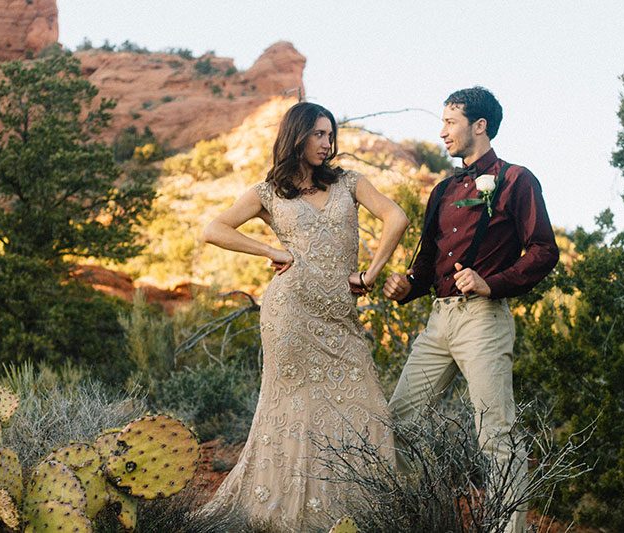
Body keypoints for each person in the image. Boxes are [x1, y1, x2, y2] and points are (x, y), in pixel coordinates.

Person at [201, 101, 409, 531]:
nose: (327, 143)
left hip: (340, 319)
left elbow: (397, 217)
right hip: (290, 312)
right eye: (318, 134)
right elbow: (213, 229)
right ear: (296, 136)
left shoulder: (350, 182)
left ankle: (359, 515)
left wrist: (371, 273)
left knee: (365, 404)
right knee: (294, 409)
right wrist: (270, 250)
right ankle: (287, 514)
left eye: (330, 135)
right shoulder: (267, 192)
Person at [383, 87, 559, 532]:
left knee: (496, 435)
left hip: (483, 319)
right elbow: (426, 263)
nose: (442, 132)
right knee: (398, 422)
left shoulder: (516, 180)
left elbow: (544, 250)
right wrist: (406, 286)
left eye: (450, 122)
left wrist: (490, 283)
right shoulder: (442, 190)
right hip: (438, 321)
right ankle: (418, 518)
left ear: (479, 125)